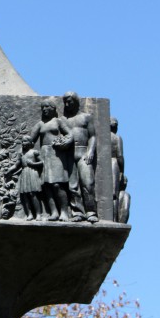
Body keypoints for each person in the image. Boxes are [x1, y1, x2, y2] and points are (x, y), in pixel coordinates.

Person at [30, 99, 73, 221]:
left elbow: (70, 134)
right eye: (42, 107)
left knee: (57, 184)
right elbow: (30, 139)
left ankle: (64, 212)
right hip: (44, 154)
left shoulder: (58, 122)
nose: (44, 109)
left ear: (53, 108)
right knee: (46, 186)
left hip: (56, 154)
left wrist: (64, 142)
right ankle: (54, 212)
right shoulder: (40, 124)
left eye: (47, 106)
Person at [62, 92, 98, 223]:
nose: (67, 104)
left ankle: (91, 212)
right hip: (69, 155)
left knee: (88, 183)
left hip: (83, 153)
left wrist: (91, 151)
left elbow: (92, 136)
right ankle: (78, 212)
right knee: (73, 186)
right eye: (65, 102)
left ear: (76, 102)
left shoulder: (86, 117)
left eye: (70, 101)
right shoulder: (63, 120)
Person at [110, 117, 125, 221]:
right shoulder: (116, 138)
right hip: (113, 164)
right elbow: (120, 156)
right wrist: (122, 171)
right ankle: (114, 219)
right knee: (113, 194)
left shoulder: (100, 138)